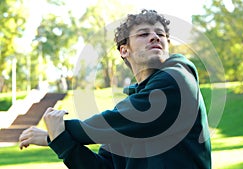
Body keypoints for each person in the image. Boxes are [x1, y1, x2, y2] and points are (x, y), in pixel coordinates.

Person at [19, 9, 211, 169]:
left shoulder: (178, 77)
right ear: (124, 50)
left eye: (161, 34)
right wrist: (60, 140)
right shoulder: (126, 112)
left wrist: (56, 132)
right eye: (144, 34)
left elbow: (127, 118)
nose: (155, 37)